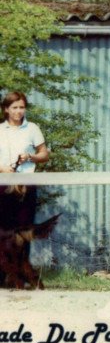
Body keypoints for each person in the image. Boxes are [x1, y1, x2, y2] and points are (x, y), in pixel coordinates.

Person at [0, 91, 49, 285]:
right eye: (14, 107)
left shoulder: (33, 129)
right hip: (3, 185)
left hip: (26, 184)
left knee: (24, 230)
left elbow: (44, 154)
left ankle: (22, 274)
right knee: (3, 230)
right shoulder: (0, 130)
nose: (19, 111)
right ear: (6, 109)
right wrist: (2, 168)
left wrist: (31, 157)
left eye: (21, 107)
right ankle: (3, 275)